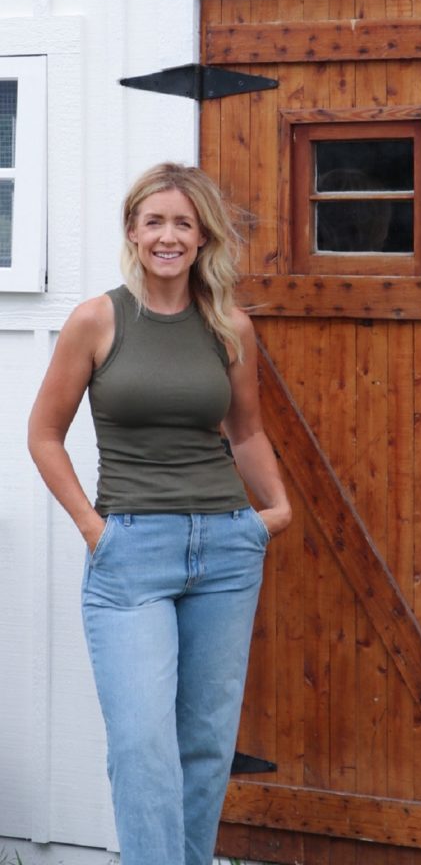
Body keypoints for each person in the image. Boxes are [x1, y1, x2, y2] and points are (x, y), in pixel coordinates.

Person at [27, 162, 291, 865]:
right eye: (155, 222)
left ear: (201, 236)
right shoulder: (97, 319)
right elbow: (43, 434)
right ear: (133, 232)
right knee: (142, 743)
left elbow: (246, 431)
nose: (168, 236)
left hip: (226, 549)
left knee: (204, 744)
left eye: (182, 222)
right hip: (130, 552)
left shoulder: (227, 325)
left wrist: (277, 509)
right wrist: (92, 526)